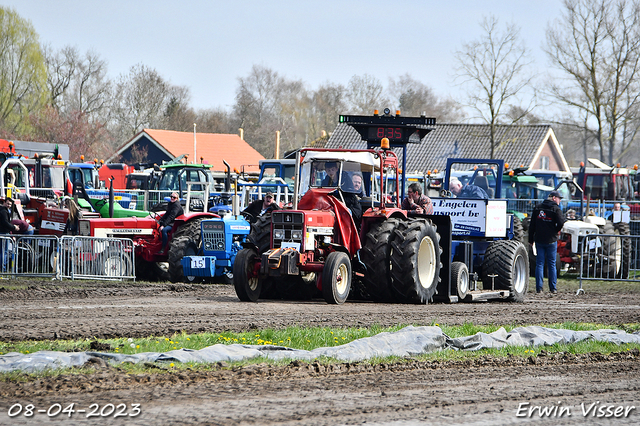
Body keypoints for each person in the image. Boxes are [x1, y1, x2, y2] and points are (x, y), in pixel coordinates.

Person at [528, 190, 566, 294]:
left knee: (539, 263)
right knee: (551, 264)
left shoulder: (538, 208)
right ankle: (553, 288)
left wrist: (531, 239)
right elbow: (561, 222)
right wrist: (555, 230)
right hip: (551, 240)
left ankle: (539, 288)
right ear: (554, 198)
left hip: (539, 239)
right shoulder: (556, 209)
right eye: (559, 199)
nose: (559, 201)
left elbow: (532, 225)